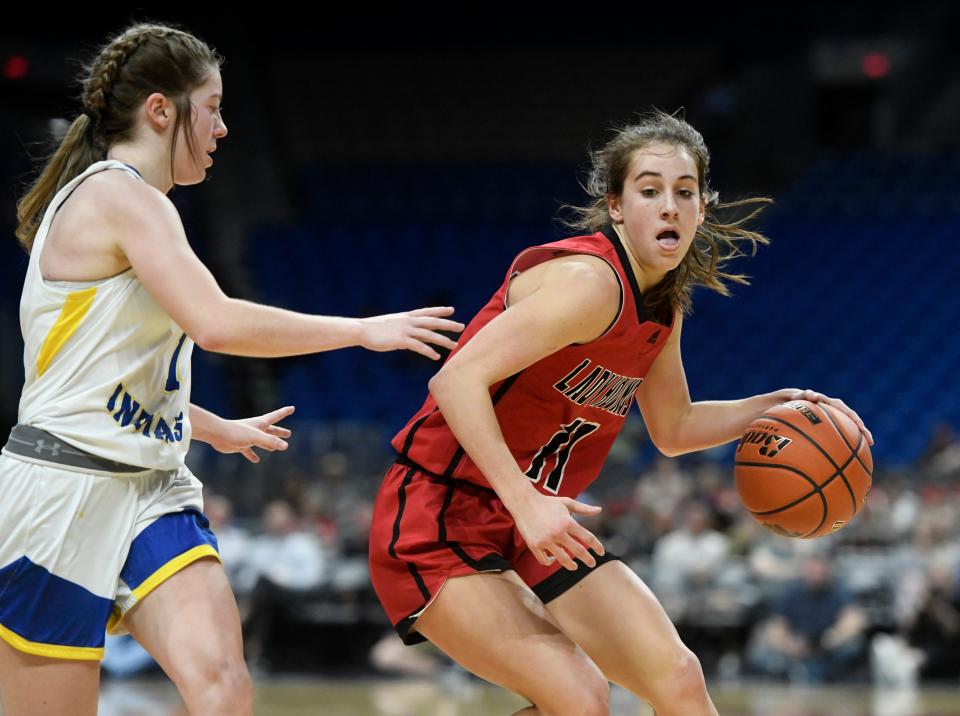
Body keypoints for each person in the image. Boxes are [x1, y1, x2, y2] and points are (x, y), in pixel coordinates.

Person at [0, 22, 462, 716]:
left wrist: (208, 425)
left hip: (151, 489)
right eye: (211, 107)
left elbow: (112, 376)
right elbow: (215, 322)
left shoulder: (145, 209)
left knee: (223, 690)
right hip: (63, 490)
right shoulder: (119, 196)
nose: (221, 127)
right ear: (162, 110)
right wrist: (361, 330)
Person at [368, 110, 874, 716]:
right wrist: (527, 503)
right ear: (616, 207)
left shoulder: (663, 303)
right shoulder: (590, 283)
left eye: (684, 193)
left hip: (535, 523)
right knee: (580, 696)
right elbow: (456, 380)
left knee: (680, 681)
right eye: (650, 191)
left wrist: (773, 406)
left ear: (702, 209)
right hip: (438, 515)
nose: (669, 207)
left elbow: (674, 427)